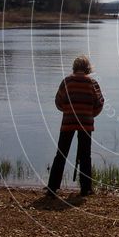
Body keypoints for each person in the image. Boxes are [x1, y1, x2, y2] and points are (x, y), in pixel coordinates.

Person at [46, 55, 105, 197]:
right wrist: (90, 114)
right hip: (86, 123)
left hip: (68, 121)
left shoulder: (67, 82)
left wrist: (67, 111)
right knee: (85, 155)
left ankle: (52, 188)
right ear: (88, 68)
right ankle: (86, 188)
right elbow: (100, 103)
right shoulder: (93, 83)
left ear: (74, 67)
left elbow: (58, 101)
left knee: (61, 154)